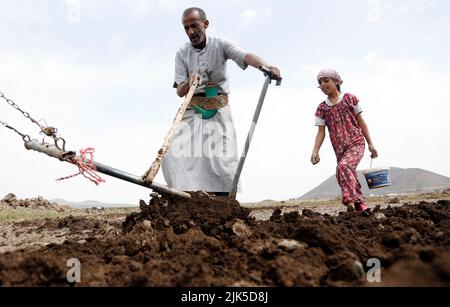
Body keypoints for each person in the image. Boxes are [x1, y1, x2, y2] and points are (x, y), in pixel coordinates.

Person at [161, 7, 281, 196]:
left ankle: (223, 200)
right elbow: (179, 90)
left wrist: (267, 66)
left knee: (220, 157)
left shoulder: (220, 45)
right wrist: (189, 82)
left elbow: (246, 56)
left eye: (194, 25)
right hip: (192, 108)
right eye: (186, 28)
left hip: (218, 107)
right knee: (172, 154)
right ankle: (184, 196)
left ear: (205, 24)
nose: (191, 32)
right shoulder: (182, 54)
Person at [311, 68, 378, 212]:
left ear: (337, 81)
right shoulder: (322, 108)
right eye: (320, 83)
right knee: (343, 172)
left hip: (356, 142)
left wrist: (371, 144)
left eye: (326, 81)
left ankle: (350, 203)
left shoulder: (349, 99)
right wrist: (315, 151)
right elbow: (321, 132)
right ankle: (360, 204)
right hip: (340, 149)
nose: (323, 85)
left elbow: (361, 122)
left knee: (344, 167)